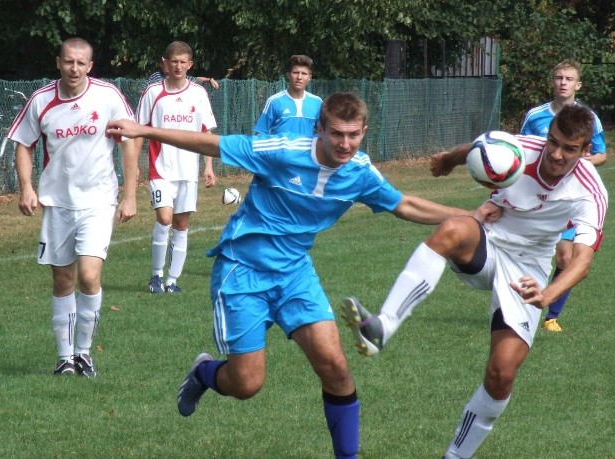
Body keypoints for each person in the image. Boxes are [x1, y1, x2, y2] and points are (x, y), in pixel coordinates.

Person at [106, 92, 493, 458]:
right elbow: (214, 144)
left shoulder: (359, 172)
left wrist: (468, 217)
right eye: (337, 134)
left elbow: (403, 204)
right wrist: (144, 130)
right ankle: (203, 373)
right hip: (242, 272)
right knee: (246, 384)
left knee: (336, 367)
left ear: (364, 132)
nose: (345, 144)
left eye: (353, 135)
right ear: (319, 130)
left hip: (294, 274)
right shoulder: (284, 151)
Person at [341, 105, 607, 459]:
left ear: (585, 151)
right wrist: (449, 160)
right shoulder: (520, 146)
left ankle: (456, 456)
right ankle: (383, 327)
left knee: (501, 374)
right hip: (487, 239)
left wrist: (548, 294)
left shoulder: (590, 191)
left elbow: (582, 260)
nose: (556, 154)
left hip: (527, 273)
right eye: (553, 142)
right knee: (451, 228)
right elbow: (481, 147)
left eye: (569, 149)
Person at [9, 37, 139, 377]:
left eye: (81, 63)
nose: (74, 68)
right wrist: (26, 187)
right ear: (58, 62)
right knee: (63, 279)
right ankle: (65, 358)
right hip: (58, 203)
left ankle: (84, 353)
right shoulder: (41, 100)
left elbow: (131, 139)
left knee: (90, 275)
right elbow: (23, 144)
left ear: (90, 66)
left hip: (98, 199)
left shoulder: (107, 96)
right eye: (68, 61)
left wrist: (129, 193)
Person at [521, 59, 606, 332]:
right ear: (552, 82)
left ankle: (551, 315)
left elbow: (601, 153)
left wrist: (578, 164)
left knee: (566, 258)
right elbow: (518, 153)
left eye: (568, 79)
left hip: (573, 197)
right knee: (545, 253)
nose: (562, 83)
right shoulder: (535, 116)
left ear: (577, 85)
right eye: (558, 78)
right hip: (539, 198)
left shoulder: (589, 120)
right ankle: (522, 301)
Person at [137, 41, 217, 293]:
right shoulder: (152, 92)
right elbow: (139, 129)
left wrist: (209, 167)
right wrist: (134, 167)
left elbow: (207, 133)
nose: (179, 66)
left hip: (187, 170)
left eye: (183, 62)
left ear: (190, 65)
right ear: (165, 64)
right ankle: (155, 276)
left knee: (181, 225)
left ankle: (172, 280)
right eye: (174, 62)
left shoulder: (198, 93)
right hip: (161, 168)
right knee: (164, 218)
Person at [254, 54, 322, 136]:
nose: (299, 77)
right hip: (280, 149)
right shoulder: (274, 101)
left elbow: (323, 132)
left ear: (309, 78)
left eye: (304, 73)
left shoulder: (317, 102)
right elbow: (261, 132)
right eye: (295, 72)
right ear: (288, 75)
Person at [145, 58, 219, 90]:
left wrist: (209, 80)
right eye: (165, 64)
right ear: (161, 65)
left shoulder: (178, 76)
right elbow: (143, 90)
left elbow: (195, 79)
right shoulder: (155, 77)